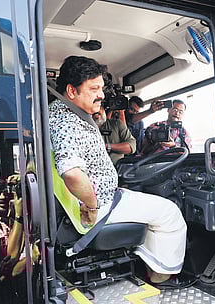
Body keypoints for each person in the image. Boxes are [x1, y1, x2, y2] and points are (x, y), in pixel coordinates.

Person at [49, 55, 188, 288]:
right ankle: (159, 278)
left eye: (101, 88)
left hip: (103, 197)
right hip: (99, 205)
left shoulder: (68, 114)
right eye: (94, 88)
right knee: (170, 213)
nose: (101, 95)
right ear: (71, 91)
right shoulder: (66, 121)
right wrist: (92, 207)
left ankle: (146, 263)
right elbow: (72, 172)